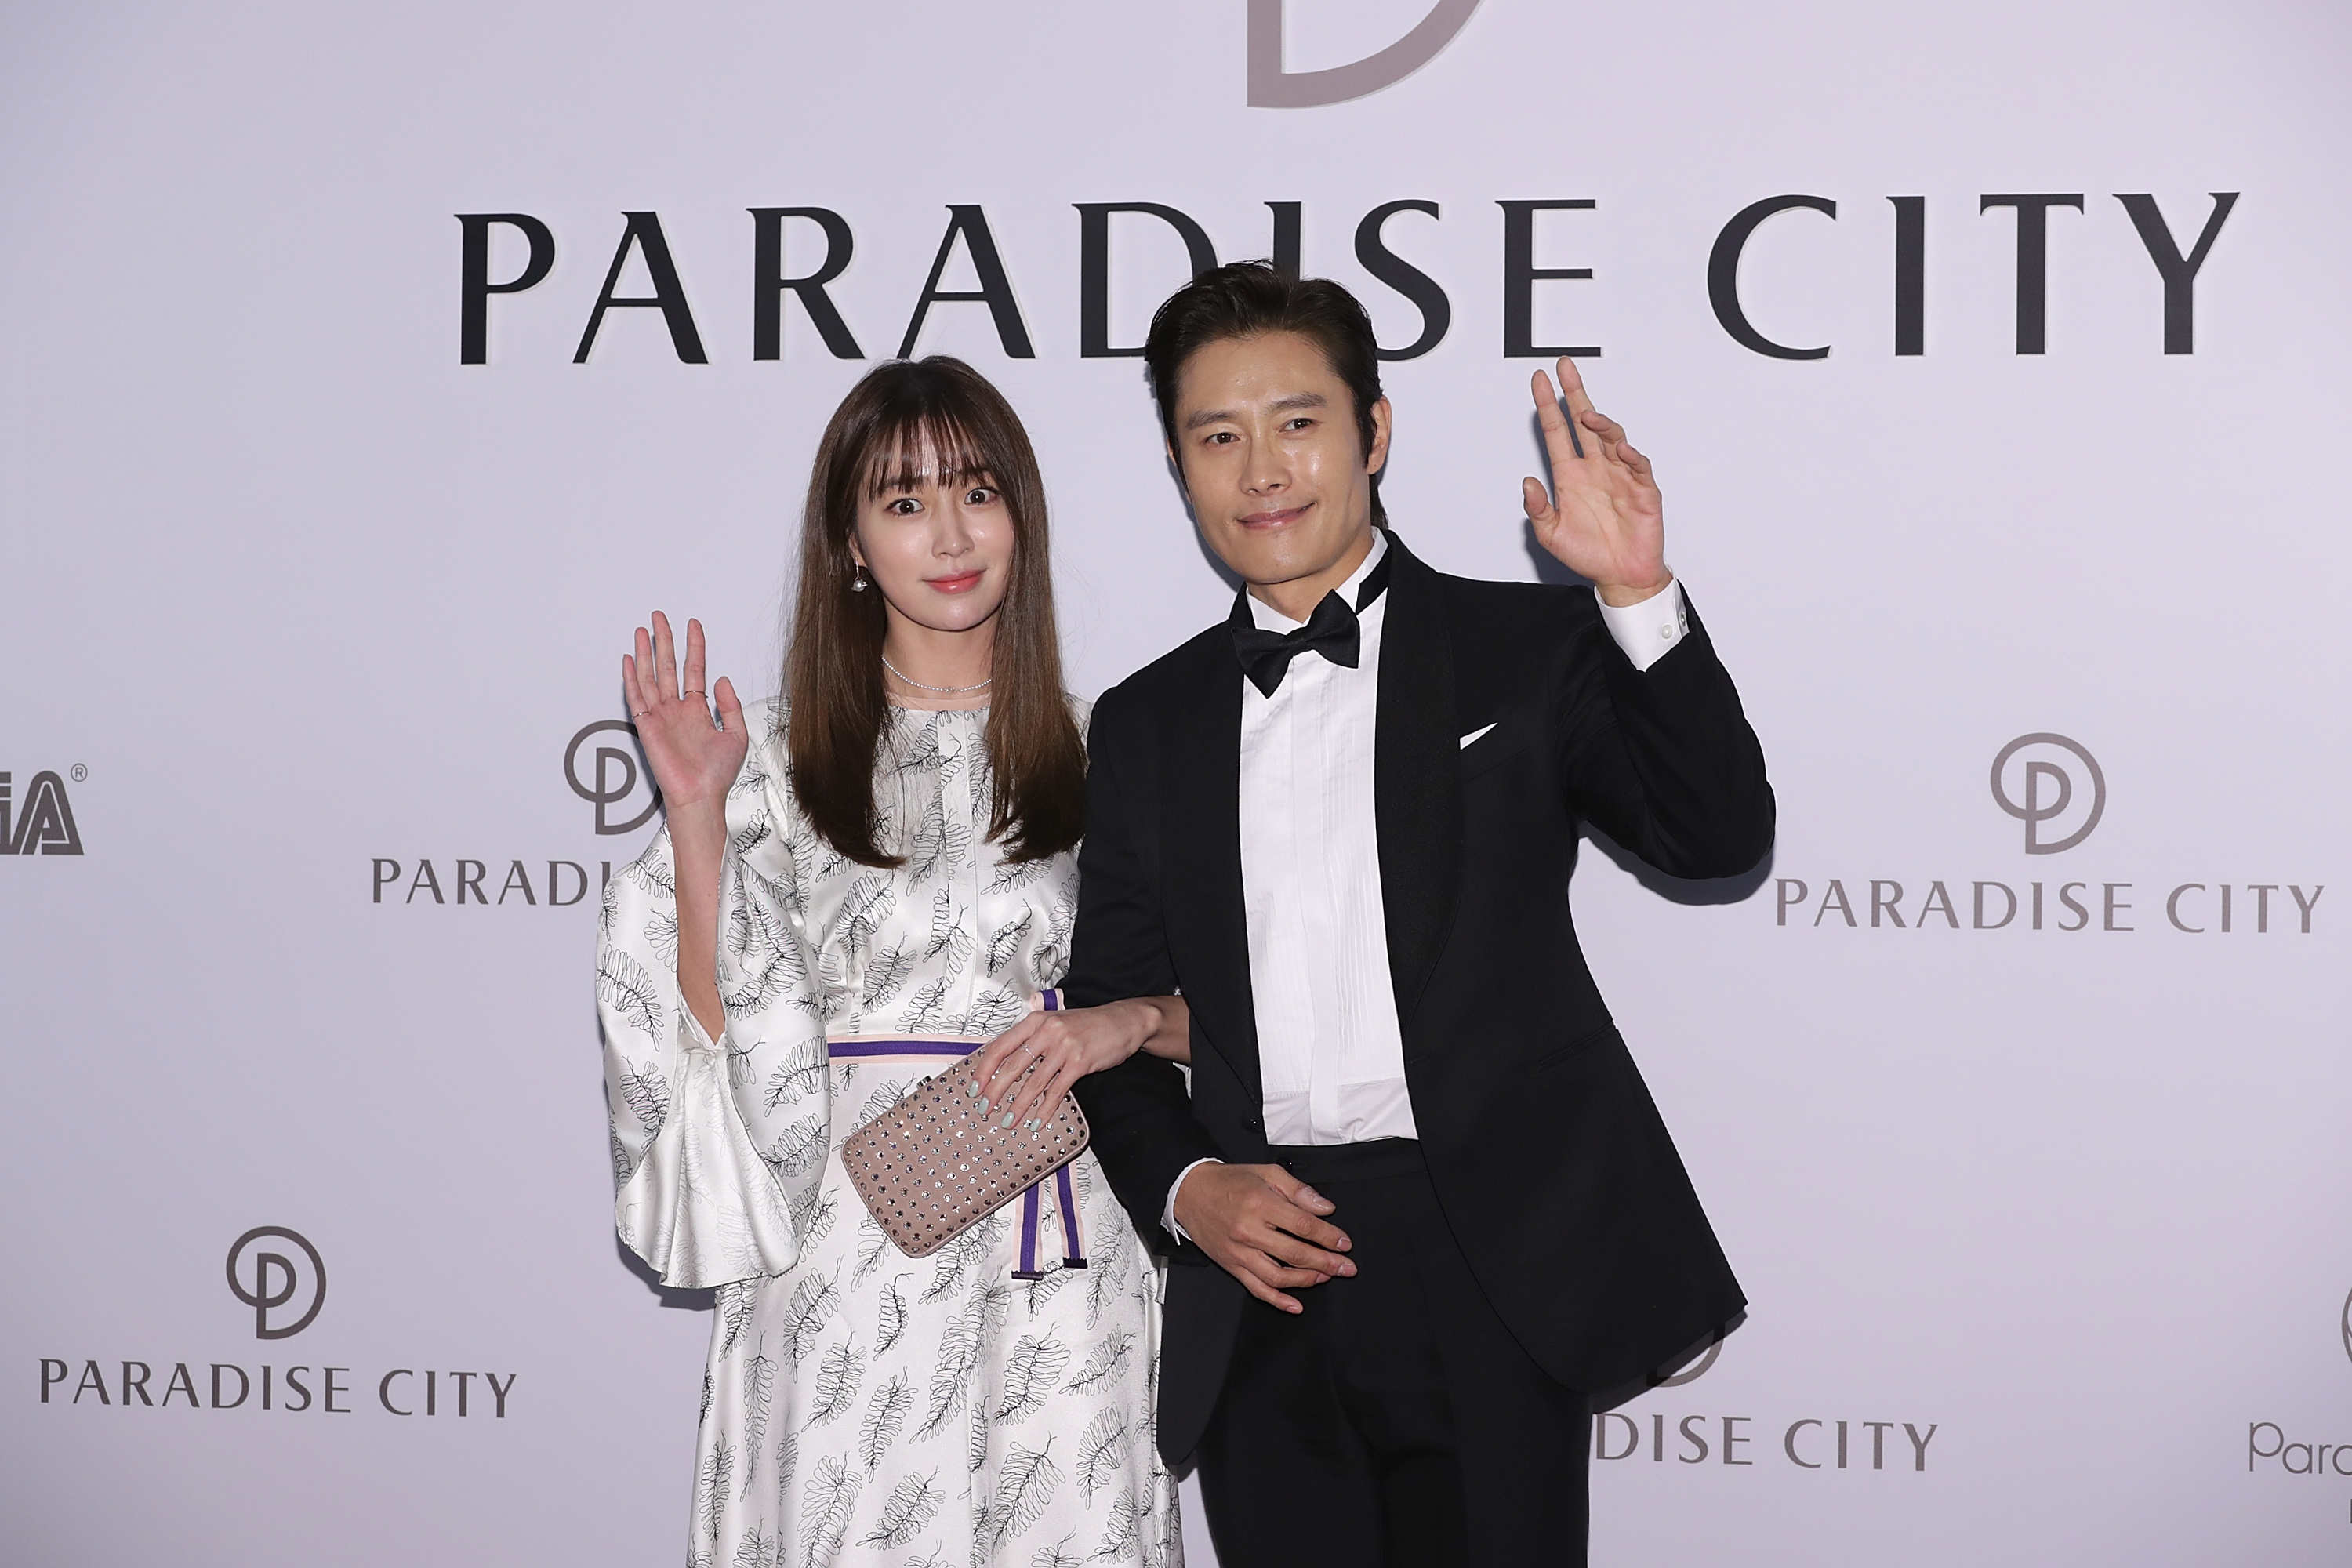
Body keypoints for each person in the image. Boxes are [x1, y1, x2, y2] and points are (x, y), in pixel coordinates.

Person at [1065, 263, 1775, 1567]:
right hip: (1257, 1263)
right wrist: (1186, 1188)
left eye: (1298, 422)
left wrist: (1637, 593)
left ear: (1374, 432)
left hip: (1487, 1252)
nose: (1263, 471)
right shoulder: (1146, 722)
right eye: (1218, 437)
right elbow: (1107, 1014)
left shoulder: (1526, 648)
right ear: (1178, 464)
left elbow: (1717, 836)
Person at [596, 357, 1185, 1568]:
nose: (950, 535)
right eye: (905, 502)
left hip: (1062, 1247)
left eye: (977, 491)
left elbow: (1227, 1012)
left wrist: (1120, 1022)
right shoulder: (769, 758)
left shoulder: (1113, 750)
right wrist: (698, 817)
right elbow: (709, 1043)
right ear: (852, 544)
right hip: (849, 1248)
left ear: (1021, 514)